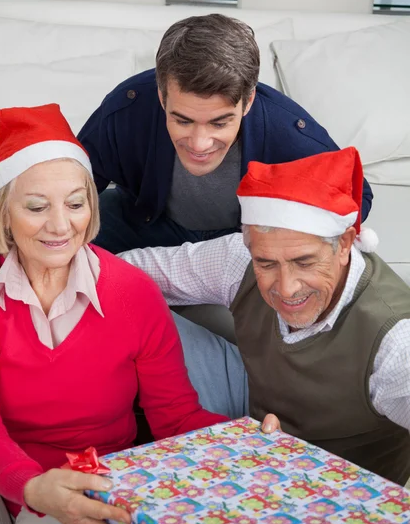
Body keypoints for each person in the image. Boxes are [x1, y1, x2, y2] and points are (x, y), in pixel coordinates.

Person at [0, 104, 230, 524]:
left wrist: (244, 443)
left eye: (75, 204)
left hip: (85, 485)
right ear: (4, 215)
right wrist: (29, 485)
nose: (60, 225)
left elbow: (175, 417)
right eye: (37, 207)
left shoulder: (135, 294)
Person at [0, 13, 373, 292]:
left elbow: (359, 197)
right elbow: (69, 183)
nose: (201, 143)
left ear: (247, 102)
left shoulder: (285, 127)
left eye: (220, 122)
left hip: (237, 240)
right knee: (23, 259)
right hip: (143, 221)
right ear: (161, 95)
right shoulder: (127, 108)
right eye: (183, 120)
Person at [120, 147, 410, 486]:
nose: (286, 289)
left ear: (345, 243)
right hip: (252, 401)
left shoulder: (397, 344)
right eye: (266, 264)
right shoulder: (239, 257)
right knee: (128, 298)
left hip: (330, 490)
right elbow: (130, 271)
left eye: (304, 262)